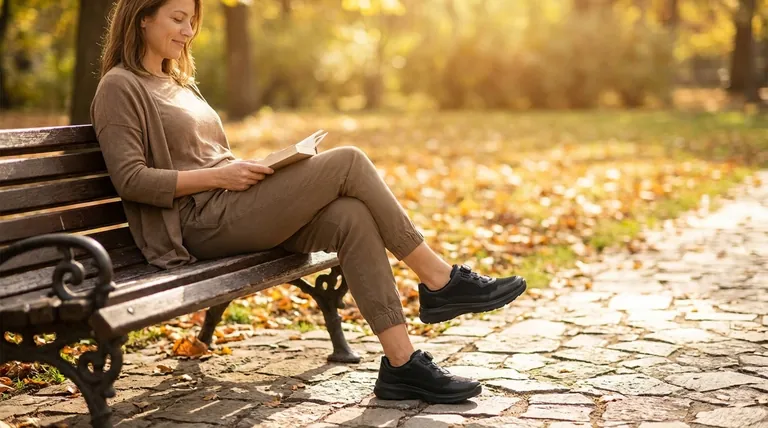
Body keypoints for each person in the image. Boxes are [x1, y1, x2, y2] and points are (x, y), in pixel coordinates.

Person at [91, 0, 527, 404]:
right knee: (349, 161)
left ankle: (402, 364)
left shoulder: (176, 82)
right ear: (142, 16)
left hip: (231, 205)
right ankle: (440, 280)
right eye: (177, 18)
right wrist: (221, 175)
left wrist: (256, 167)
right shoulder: (120, 87)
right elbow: (132, 180)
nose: (188, 30)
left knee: (350, 216)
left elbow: (204, 154)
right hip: (196, 225)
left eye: (192, 20)